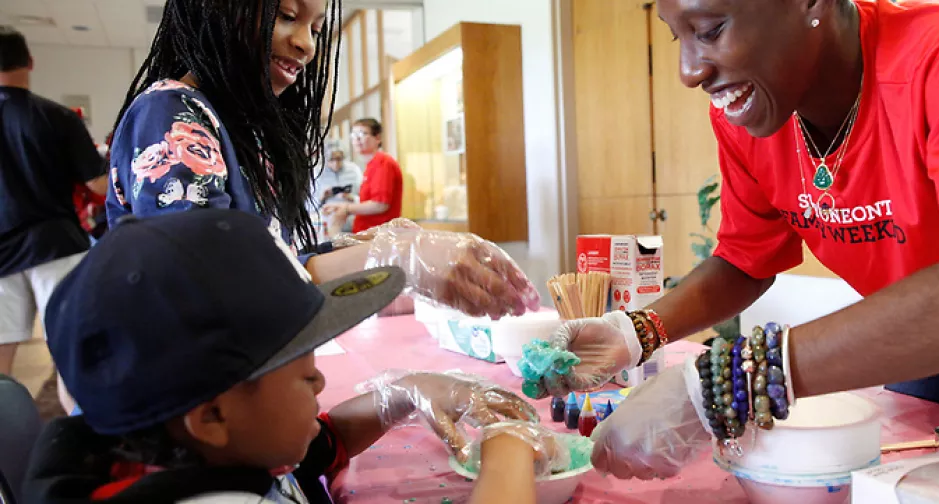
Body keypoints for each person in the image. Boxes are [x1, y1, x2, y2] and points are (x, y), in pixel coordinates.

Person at [537, 0, 939, 479]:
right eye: (678, 34)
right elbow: (744, 260)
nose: (690, 70)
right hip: (936, 331)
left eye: (712, 27)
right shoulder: (750, 115)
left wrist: (719, 386)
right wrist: (635, 330)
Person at [24, 209, 563, 504]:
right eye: (304, 375)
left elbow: (313, 445)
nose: (321, 380)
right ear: (211, 416)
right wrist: (508, 453)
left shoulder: (202, 447)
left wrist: (404, 393)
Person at [106, 0, 537, 319]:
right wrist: (395, 257)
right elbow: (216, 280)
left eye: (316, 27)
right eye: (287, 16)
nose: (305, 44)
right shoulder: (170, 114)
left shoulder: (242, 133)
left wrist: (372, 245)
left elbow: (279, 256)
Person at [0, 26, 106, 395]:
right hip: (55, 245)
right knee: (70, 355)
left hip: (2, 254)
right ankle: (77, 443)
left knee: (1, 369)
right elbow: (99, 186)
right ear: (29, 61)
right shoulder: (58, 117)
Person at [322, 118, 404, 234]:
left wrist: (346, 208)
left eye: (362, 134)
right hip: (366, 233)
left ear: (378, 138)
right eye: (354, 135)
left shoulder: (383, 163)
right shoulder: (370, 166)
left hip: (378, 235)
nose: (357, 139)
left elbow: (380, 205)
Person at [310, 146, 363, 228]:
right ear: (326, 159)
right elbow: (309, 206)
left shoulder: (354, 170)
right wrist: (322, 197)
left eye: (339, 159)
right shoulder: (317, 173)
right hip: (327, 222)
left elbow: (366, 200)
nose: (336, 163)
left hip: (351, 219)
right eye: (332, 159)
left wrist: (352, 198)